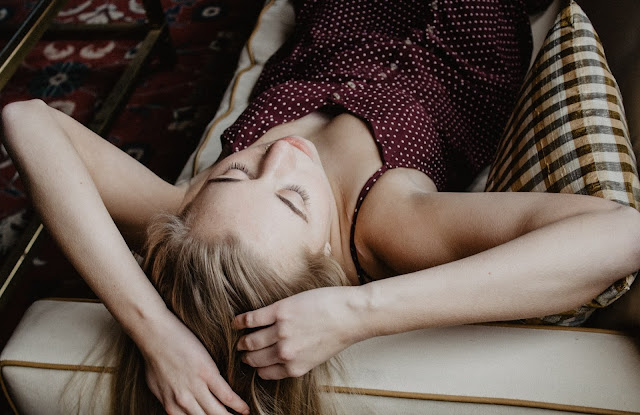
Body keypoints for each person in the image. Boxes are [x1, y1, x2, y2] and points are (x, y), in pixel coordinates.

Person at [2, 0, 640, 414]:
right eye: (293, 197)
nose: (281, 154)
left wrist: (155, 333)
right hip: (461, 26)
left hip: (341, 19)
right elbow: (620, 234)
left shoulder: (195, 215)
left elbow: (27, 118)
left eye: (237, 170)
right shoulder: (387, 225)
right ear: (328, 263)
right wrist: (358, 313)